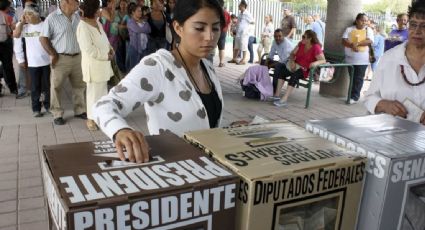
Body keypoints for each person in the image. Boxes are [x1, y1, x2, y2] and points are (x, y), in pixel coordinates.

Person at [93, 0, 225, 163]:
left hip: (211, 172)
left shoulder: (207, 67)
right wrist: (121, 130)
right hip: (175, 172)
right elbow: (103, 106)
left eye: (215, 28)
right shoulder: (158, 66)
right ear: (178, 28)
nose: (209, 37)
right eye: (199, 28)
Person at [364, 1, 425, 124]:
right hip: (393, 137)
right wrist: (382, 104)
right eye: (413, 24)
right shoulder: (389, 59)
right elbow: (369, 98)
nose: (417, 31)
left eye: (424, 26)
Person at [40, 0, 87, 125]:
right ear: (66, 2)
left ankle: (80, 110)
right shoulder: (52, 18)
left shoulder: (78, 17)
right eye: (75, 1)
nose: (78, 2)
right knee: (56, 87)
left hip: (78, 57)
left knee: (80, 86)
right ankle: (57, 113)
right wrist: (52, 54)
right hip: (61, 58)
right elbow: (43, 38)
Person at [77, 0, 113, 131]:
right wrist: (105, 55)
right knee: (93, 94)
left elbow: (104, 39)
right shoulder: (83, 26)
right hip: (93, 66)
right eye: (98, 8)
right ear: (92, 10)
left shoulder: (97, 22)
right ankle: (91, 119)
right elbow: (89, 49)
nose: (100, 10)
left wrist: (110, 48)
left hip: (103, 65)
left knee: (102, 93)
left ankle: (100, 116)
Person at [273, 30, 325, 107]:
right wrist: (292, 62)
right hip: (295, 65)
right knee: (282, 72)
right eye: (302, 36)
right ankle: (276, 95)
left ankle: (284, 99)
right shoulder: (301, 44)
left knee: (294, 75)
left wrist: (315, 63)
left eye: (304, 37)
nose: (302, 38)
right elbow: (292, 54)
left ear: (310, 39)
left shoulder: (315, 47)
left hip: (305, 69)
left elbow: (323, 60)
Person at [17, 4, 51, 117]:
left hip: (46, 62)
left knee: (47, 87)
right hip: (33, 63)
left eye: (29, 14)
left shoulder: (45, 25)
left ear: (37, 14)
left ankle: (48, 106)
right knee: (35, 87)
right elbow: (15, 35)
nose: (27, 16)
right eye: (25, 14)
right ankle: (36, 109)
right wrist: (21, 22)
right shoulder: (24, 26)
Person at [342, 13, 374, 104]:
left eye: (366, 21)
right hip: (350, 59)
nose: (364, 22)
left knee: (358, 78)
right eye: (362, 20)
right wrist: (352, 45)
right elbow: (344, 40)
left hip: (362, 60)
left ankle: (355, 97)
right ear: (357, 20)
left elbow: (370, 41)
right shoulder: (349, 29)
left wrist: (357, 44)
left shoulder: (369, 30)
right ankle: (350, 95)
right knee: (352, 77)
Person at [265, 28, 294, 97]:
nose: (277, 38)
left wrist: (272, 64)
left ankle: (273, 90)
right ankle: (262, 83)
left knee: (278, 67)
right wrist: (267, 61)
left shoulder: (286, 44)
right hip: (282, 61)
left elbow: (284, 60)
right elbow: (271, 53)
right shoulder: (274, 42)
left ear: (283, 36)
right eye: (276, 36)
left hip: (289, 62)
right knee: (264, 62)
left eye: (279, 36)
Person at [0, 0, 18, 97]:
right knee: (8, 67)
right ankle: (13, 88)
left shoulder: (7, 16)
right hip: (5, 45)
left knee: (7, 67)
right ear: (6, 7)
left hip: (4, 44)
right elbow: (11, 31)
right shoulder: (7, 17)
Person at [126, 4, 151, 71]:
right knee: (134, 69)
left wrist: (144, 27)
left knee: (143, 68)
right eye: (138, 11)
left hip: (144, 48)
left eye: (141, 11)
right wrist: (144, 28)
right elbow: (137, 30)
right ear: (133, 12)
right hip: (135, 48)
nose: (141, 12)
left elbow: (149, 30)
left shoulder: (143, 21)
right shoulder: (130, 21)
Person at [228, 0, 253, 65]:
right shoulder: (240, 14)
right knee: (236, 46)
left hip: (244, 34)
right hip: (238, 33)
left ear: (243, 6)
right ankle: (234, 58)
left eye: (239, 5)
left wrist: (246, 30)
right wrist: (234, 27)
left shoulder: (247, 14)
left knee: (244, 46)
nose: (238, 6)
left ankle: (243, 60)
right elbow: (238, 22)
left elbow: (252, 22)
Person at [217, 1, 231, 67]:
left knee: (211, 46)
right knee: (222, 47)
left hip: (215, 30)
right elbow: (228, 23)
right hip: (223, 32)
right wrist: (228, 31)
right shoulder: (227, 13)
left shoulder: (215, 12)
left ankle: (208, 61)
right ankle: (221, 62)